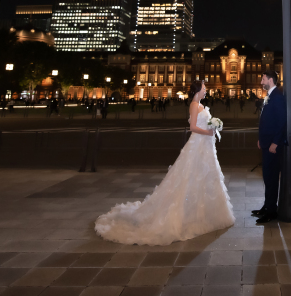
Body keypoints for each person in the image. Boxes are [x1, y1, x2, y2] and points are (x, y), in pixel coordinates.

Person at [96, 80, 234, 245]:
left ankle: (206, 211)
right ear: (197, 90)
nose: (206, 91)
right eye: (204, 88)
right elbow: (192, 127)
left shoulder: (201, 104)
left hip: (206, 146)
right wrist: (208, 131)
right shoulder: (194, 105)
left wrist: (213, 128)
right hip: (198, 143)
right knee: (190, 175)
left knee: (206, 175)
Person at [252, 70, 287, 224]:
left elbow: (281, 122)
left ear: (271, 80)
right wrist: (261, 139)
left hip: (273, 146)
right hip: (266, 143)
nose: (261, 82)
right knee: (267, 177)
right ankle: (267, 206)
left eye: (263, 79)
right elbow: (266, 121)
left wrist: (275, 142)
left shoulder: (278, 97)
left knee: (271, 178)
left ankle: (272, 211)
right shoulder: (270, 96)